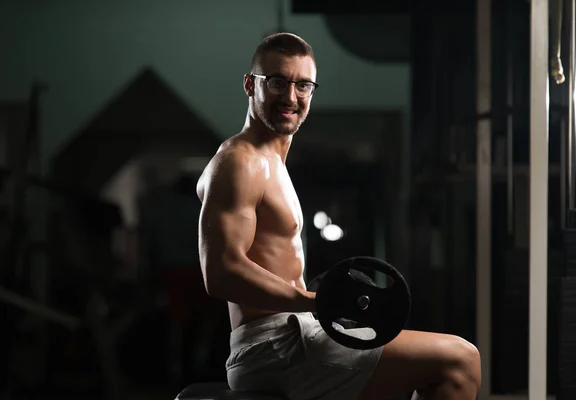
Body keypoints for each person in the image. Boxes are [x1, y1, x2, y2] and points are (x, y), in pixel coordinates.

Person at [196, 32, 481, 400]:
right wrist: (317, 302)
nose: (291, 96)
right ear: (251, 85)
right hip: (273, 347)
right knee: (461, 360)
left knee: (415, 373)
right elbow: (221, 273)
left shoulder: (271, 163)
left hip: (295, 334)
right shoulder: (242, 161)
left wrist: (316, 305)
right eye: (278, 82)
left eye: (303, 85)